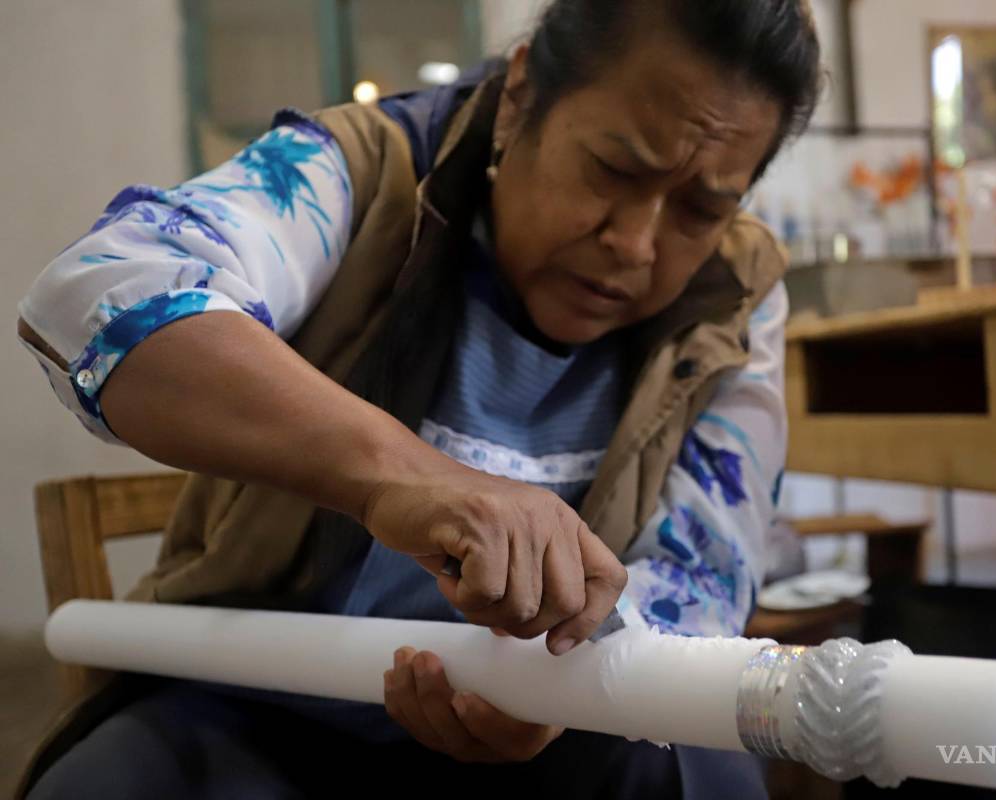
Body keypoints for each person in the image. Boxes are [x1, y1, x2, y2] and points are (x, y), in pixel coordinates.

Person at [16, 1, 821, 797]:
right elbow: (107, 290)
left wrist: (562, 686)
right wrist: (405, 477)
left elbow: (698, 586)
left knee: (694, 773)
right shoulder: (368, 169)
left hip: (546, 714)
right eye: (614, 169)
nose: (637, 243)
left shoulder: (736, 291)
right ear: (520, 98)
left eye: (702, 209)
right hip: (263, 694)